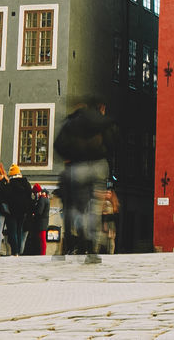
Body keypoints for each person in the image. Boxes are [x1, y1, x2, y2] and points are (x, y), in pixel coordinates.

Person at [53, 95, 117, 263]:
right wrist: (104, 153)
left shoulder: (71, 122)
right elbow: (113, 140)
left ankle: (80, 229)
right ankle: (92, 250)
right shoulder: (100, 121)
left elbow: (59, 145)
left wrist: (70, 156)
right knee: (95, 208)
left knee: (79, 207)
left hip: (78, 166)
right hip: (99, 166)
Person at [4, 165, 32, 256]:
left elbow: (6, 197)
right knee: (19, 231)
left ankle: (15, 251)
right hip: (23, 211)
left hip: (12, 211)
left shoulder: (10, 184)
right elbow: (29, 197)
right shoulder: (26, 183)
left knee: (12, 232)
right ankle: (19, 251)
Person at [24, 185, 51, 256]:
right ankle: (42, 253)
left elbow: (39, 211)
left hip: (41, 223)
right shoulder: (45, 199)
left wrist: (33, 214)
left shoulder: (42, 199)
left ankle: (42, 254)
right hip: (43, 222)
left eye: (35, 193)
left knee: (42, 240)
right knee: (42, 240)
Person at [101, 186, 120, 254]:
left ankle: (110, 254)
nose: (107, 194)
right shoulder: (104, 203)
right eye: (106, 193)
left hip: (111, 224)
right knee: (105, 241)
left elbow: (116, 216)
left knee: (111, 240)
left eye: (109, 193)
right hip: (104, 224)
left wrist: (107, 215)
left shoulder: (114, 204)